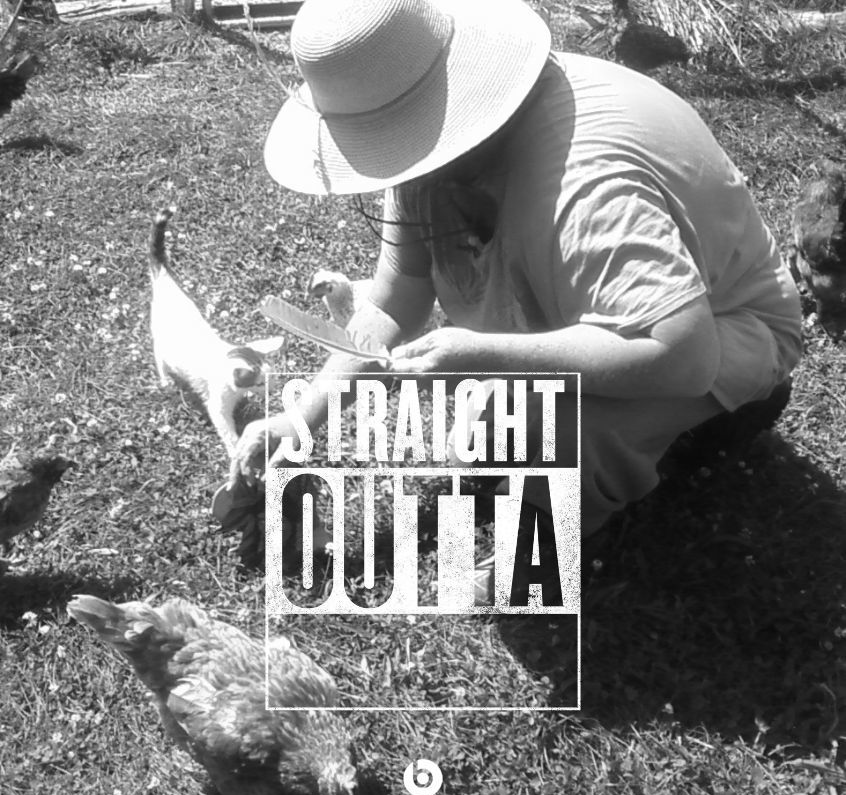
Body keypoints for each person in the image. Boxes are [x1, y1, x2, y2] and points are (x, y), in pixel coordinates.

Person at [229, 0, 802, 555]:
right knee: (486, 435)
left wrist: (485, 355)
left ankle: (555, 533)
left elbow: (682, 354)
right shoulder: (436, 145)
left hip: (723, 329)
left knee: (564, 425)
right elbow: (395, 297)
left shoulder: (588, 186)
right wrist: (297, 422)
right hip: (593, 310)